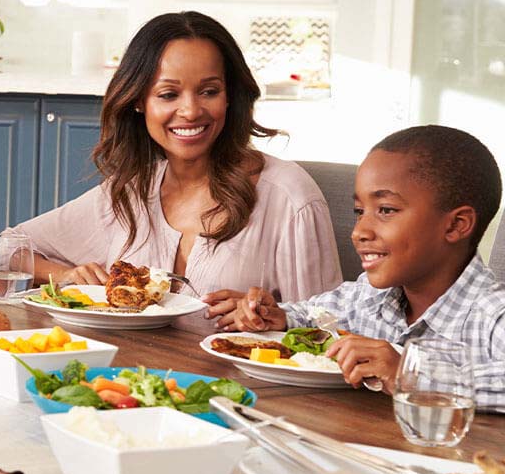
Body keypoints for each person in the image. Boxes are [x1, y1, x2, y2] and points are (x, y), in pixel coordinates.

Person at [4, 11, 341, 333]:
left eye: (209, 91)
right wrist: (66, 275)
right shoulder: (131, 192)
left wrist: (271, 316)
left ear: (230, 97)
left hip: (250, 392)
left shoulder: (290, 197)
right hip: (131, 383)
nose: (191, 110)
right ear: (139, 101)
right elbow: (7, 254)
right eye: (168, 94)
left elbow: (331, 327)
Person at [208, 126, 505, 412]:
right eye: (359, 212)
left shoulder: (493, 313)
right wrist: (277, 316)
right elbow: (314, 315)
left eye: (386, 210)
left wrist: (408, 373)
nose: (359, 231)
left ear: (456, 225)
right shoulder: (370, 296)